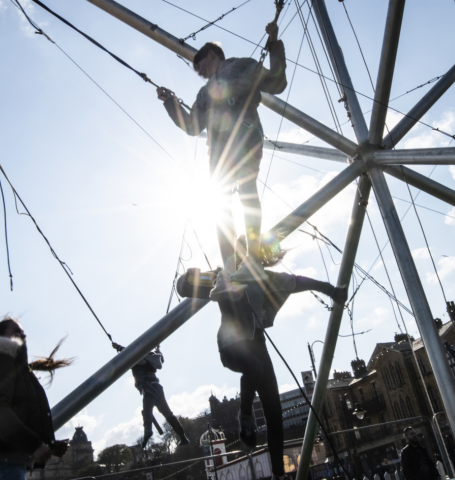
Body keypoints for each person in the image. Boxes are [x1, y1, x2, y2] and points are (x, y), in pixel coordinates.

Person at [176, 238, 346, 480]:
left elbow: (299, 281)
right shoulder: (224, 275)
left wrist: (332, 290)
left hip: (258, 345)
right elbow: (184, 287)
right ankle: (245, 415)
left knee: (274, 413)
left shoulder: (268, 278)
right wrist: (189, 276)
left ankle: (278, 474)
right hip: (231, 345)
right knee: (254, 370)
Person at [157, 21, 287, 283]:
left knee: (248, 193)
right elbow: (193, 126)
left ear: (212, 54)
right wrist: (171, 103)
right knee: (220, 206)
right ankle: (230, 267)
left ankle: (251, 258)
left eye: (200, 64)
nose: (199, 71)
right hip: (218, 154)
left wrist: (273, 44)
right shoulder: (203, 95)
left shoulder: (242, 67)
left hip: (245, 137)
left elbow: (276, 82)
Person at [0, 316, 72, 480]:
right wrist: (34, 445)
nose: (23, 336)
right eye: (17, 332)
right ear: (0, 338)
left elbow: (14, 414)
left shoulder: (0, 365)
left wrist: (47, 445)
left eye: (24, 333)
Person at [112, 343, 190, 448]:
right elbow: (161, 358)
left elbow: (128, 353)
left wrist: (118, 347)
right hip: (157, 387)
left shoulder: (139, 359)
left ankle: (148, 430)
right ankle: (183, 437)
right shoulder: (154, 358)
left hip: (148, 387)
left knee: (147, 411)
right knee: (168, 414)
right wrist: (158, 349)